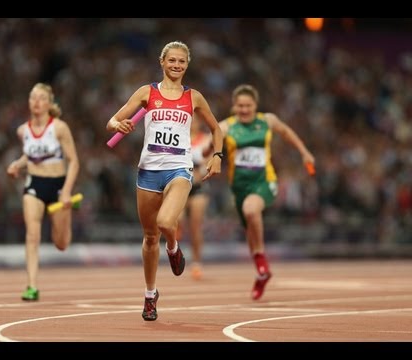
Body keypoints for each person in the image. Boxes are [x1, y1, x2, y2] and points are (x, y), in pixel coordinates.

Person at [106, 41, 223, 321]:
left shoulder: (193, 97)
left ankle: (172, 248)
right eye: (172, 60)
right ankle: (150, 295)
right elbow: (112, 120)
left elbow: (216, 128)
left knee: (166, 223)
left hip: (179, 170)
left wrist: (218, 155)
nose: (176, 65)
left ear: (187, 64)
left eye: (182, 61)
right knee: (149, 238)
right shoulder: (148, 92)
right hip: (148, 172)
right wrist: (117, 125)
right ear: (162, 61)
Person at [213, 84, 315, 301]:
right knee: (250, 228)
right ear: (234, 106)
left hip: (264, 181)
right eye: (240, 106)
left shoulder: (268, 120)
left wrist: (304, 152)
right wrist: (206, 155)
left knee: (251, 210)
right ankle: (261, 272)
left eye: (248, 105)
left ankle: (261, 263)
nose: (244, 109)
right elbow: (210, 143)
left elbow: (287, 133)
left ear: (255, 105)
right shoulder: (226, 127)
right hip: (239, 186)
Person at [7, 82, 80, 301]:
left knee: (61, 243)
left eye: (41, 98)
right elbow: (30, 155)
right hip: (34, 185)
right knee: (32, 234)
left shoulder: (59, 127)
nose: (36, 102)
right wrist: (17, 165)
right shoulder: (23, 130)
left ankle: (68, 215)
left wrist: (66, 191)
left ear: (49, 103)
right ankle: (31, 286)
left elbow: (74, 161)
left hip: (58, 186)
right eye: (32, 98)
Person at [176, 117, 211, 280]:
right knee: (177, 221)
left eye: (195, 120)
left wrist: (201, 172)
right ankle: (176, 251)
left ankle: (196, 263)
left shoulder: (205, 139)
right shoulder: (177, 137)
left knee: (195, 227)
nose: (192, 123)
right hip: (180, 186)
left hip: (198, 188)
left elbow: (209, 162)